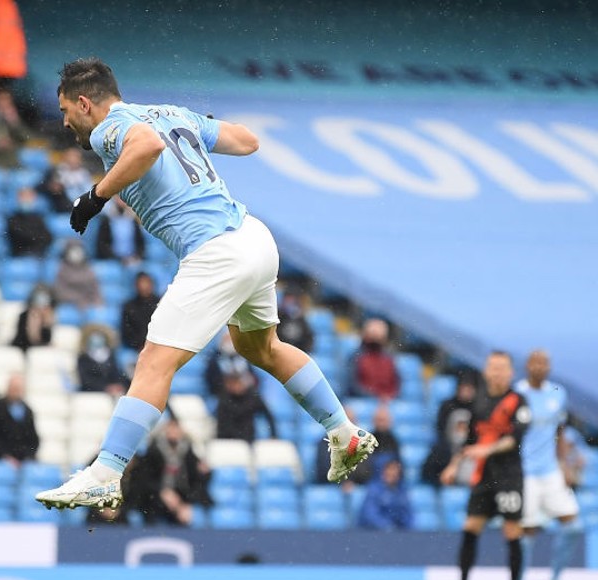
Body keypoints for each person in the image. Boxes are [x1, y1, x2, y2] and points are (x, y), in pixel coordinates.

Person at [35, 58, 376, 510]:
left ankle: (106, 472)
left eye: (65, 110)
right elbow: (248, 141)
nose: (64, 121)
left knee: (154, 363)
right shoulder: (171, 112)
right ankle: (342, 431)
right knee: (261, 348)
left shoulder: (108, 130)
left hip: (215, 253)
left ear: (84, 102)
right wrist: (196, 128)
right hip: (254, 239)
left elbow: (148, 147)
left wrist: (95, 197)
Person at [442, 351, 529, 580]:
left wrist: (486, 450)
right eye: (493, 367)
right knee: (470, 528)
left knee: (512, 532)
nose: (497, 372)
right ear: (486, 371)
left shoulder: (518, 401)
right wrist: (454, 465)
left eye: (502, 368)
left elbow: (515, 439)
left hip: (509, 477)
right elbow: (470, 440)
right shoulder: (478, 402)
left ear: (511, 372)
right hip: (483, 477)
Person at [515, 350, 581, 580]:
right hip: (525, 472)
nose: (541, 367)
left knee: (573, 525)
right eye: (536, 362)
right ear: (528, 365)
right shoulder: (517, 394)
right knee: (527, 531)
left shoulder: (558, 393)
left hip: (551, 470)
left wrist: (564, 465)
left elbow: (559, 431)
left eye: (545, 363)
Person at [130, 416, 212, 526]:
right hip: (155, 496)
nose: (173, 432)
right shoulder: (154, 451)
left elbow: (195, 480)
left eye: (176, 428)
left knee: (189, 514)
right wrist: (163, 492)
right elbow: (145, 479)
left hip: (181, 496)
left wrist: (186, 504)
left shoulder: (188, 452)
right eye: (171, 428)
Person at [421, 370, 479, 487]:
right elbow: (441, 430)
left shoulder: (478, 409)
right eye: (464, 387)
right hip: (447, 449)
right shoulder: (447, 406)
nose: (466, 391)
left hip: (468, 451)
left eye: (469, 388)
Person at [0, 373, 39, 464]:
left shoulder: (27, 411)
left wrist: (27, 457)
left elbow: (33, 440)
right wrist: (5, 456)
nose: (15, 391)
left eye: (18, 388)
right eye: (13, 388)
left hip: (23, 462)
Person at [214, 369, 275, 443]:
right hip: (228, 441)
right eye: (233, 383)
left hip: (248, 438)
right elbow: (222, 424)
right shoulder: (224, 398)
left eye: (238, 383)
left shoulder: (253, 396)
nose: (236, 387)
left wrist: (273, 434)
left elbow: (268, 415)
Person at [348, 318, 401, 400]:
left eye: (378, 337)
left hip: (386, 402)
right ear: (365, 335)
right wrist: (375, 397)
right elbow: (353, 385)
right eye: (372, 335)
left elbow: (395, 384)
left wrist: (386, 398)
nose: (375, 339)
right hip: (362, 400)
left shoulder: (388, 360)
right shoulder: (356, 357)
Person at [357, 455, 413, 531]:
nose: (392, 473)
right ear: (383, 471)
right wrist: (388, 527)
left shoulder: (402, 490)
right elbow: (370, 515)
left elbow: (407, 515)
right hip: (374, 534)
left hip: (396, 534)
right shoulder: (373, 489)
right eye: (390, 469)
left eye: (395, 469)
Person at [77, 324, 127, 396]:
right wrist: (105, 388)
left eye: (99, 336)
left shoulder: (111, 356)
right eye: (94, 336)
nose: (96, 339)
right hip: (90, 394)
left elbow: (116, 374)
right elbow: (85, 380)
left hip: (111, 393)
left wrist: (119, 386)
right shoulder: (83, 358)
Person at [95, 197, 146, 264]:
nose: (121, 202)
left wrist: (136, 256)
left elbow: (140, 243)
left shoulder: (133, 220)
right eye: (119, 199)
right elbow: (102, 245)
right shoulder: (106, 220)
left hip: (132, 260)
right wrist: (118, 259)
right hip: (112, 261)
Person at [53, 240, 102, 309]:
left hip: (87, 304)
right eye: (74, 252)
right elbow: (60, 291)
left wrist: (97, 302)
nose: (77, 254)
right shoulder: (62, 270)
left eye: (79, 251)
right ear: (67, 253)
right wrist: (78, 299)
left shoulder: (89, 270)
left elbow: (95, 289)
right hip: (68, 305)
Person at [6, 186, 52, 257]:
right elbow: (20, 237)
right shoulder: (13, 219)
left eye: (29, 197)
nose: (26, 200)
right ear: (18, 199)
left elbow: (48, 238)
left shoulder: (39, 218)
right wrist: (36, 237)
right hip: (19, 256)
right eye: (24, 197)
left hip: (38, 255)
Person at [119, 271, 159, 352]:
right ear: (136, 286)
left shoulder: (160, 304)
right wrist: (139, 345)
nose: (144, 286)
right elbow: (126, 333)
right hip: (136, 349)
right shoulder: (129, 307)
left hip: (158, 346)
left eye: (146, 282)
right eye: (141, 283)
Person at [11, 283, 55, 350]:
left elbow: (46, 341)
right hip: (22, 349)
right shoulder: (24, 316)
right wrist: (34, 321)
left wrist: (46, 324)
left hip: (40, 352)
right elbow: (27, 340)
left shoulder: (49, 317)